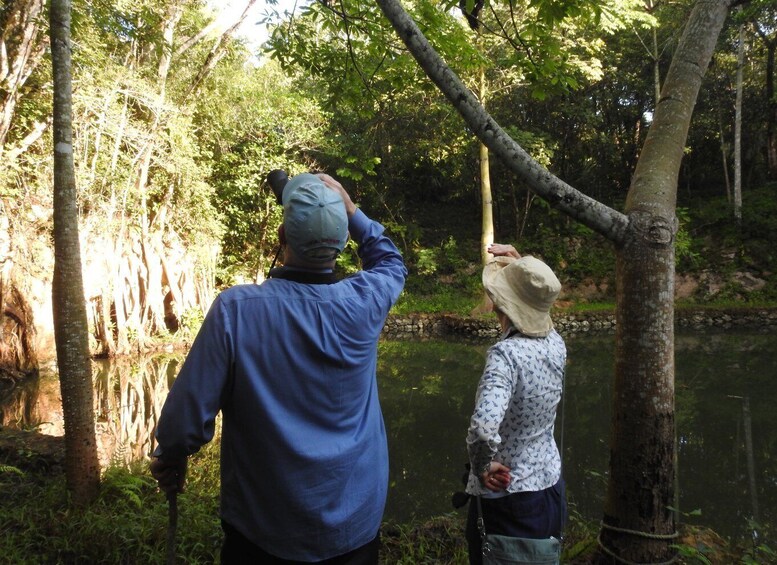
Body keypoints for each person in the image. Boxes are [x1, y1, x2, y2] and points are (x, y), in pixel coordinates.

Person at [150, 172, 407, 564]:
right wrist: (351, 210)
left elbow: (181, 424)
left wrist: (172, 455)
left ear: (283, 236)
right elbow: (390, 260)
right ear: (341, 242)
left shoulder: (236, 310)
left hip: (263, 534)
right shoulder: (365, 301)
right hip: (353, 533)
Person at [464, 243, 567, 565]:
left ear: (499, 305)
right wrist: (522, 264)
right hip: (549, 485)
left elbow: (483, 429)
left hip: (508, 493)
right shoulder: (556, 342)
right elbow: (538, 295)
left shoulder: (506, 356)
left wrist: (483, 467)